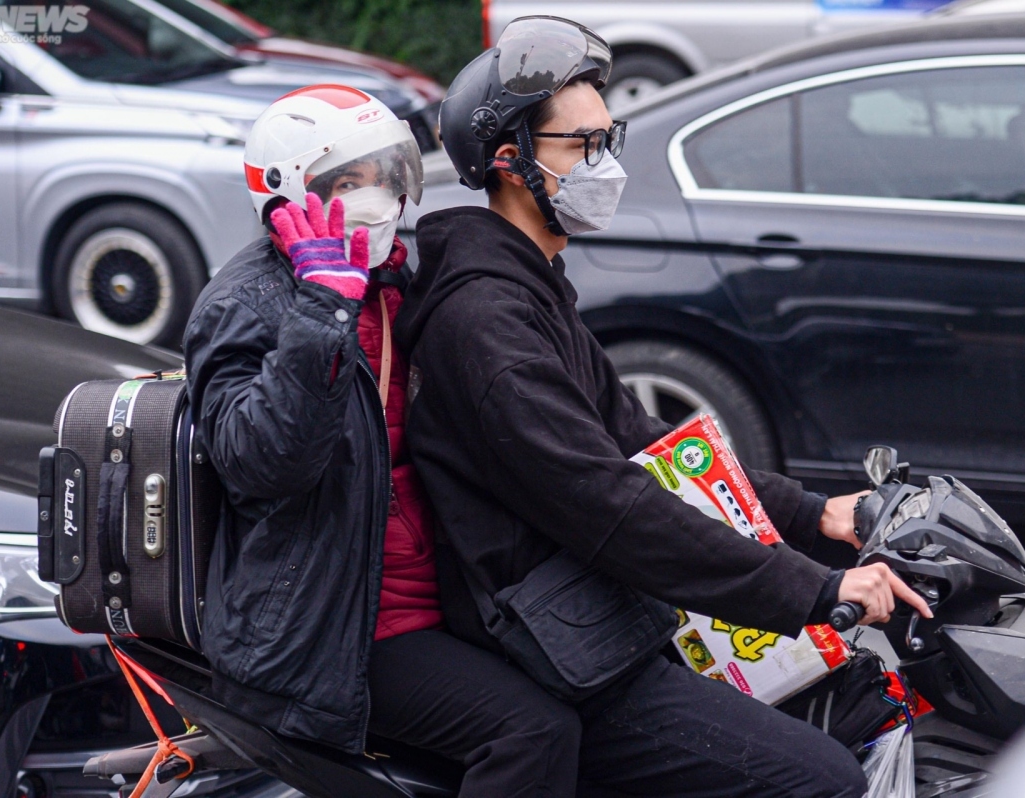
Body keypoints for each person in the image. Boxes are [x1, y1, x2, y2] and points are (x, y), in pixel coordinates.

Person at [395, 18, 933, 797]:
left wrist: (818, 514)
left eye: (608, 139)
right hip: (561, 652)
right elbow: (612, 507)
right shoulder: (487, 327)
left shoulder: (526, 289)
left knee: (842, 707)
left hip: (602, 616)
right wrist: (812, 588)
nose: (605, 164)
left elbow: (651, 449)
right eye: (582, 147)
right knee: (818, 780)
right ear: (511, 163)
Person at [183, 85, 582, 796]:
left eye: (383, 176)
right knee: (534, 734)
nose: (374, 198)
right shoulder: (244, 305)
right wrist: (320, 312)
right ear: (288, 197)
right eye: (346, 183)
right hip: (337, 629)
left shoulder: (402, 278)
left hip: (446, 596)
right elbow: (263, 462)